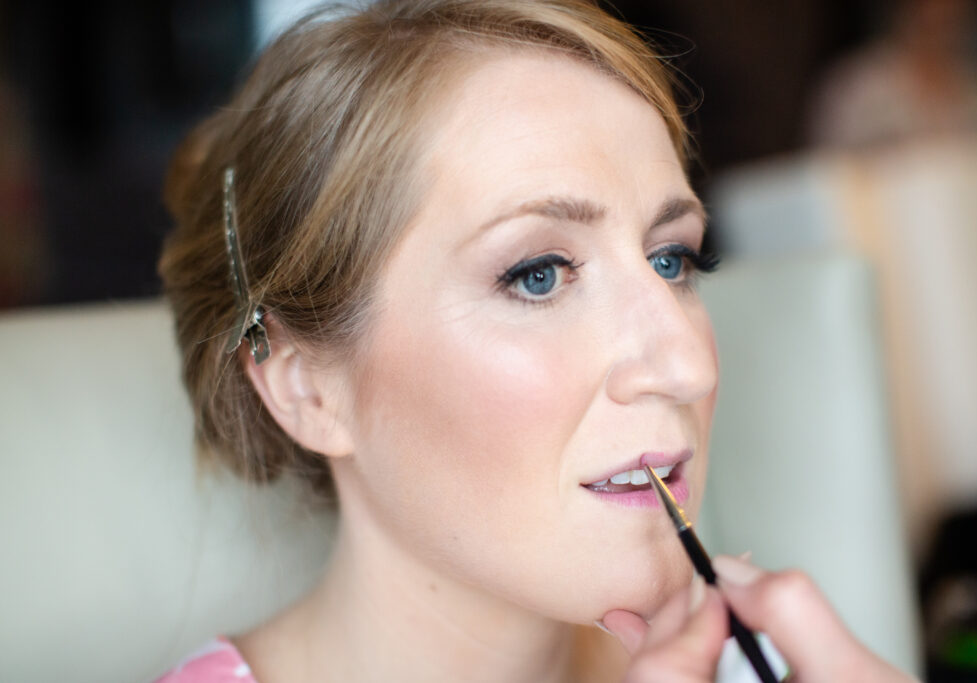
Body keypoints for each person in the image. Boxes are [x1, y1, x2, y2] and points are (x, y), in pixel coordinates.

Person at [156, 1, 918, 681]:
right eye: (538, 275)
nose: (687, 366)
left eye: (671, 259)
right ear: (304, 385)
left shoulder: (759, 666)